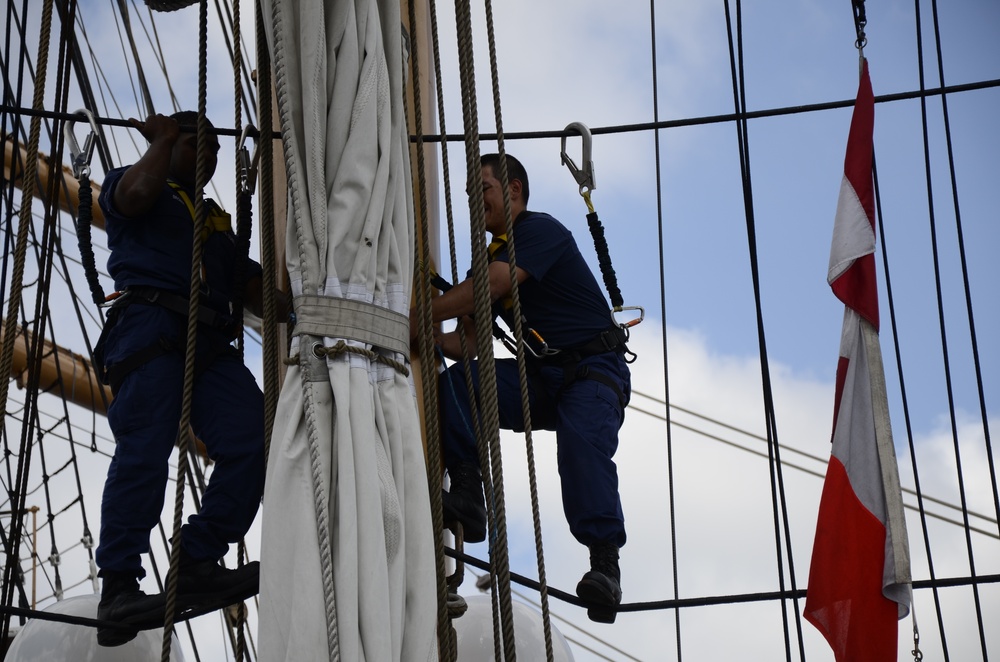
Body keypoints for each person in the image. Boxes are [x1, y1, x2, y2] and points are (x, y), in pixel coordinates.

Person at [414, 153, 632, 624]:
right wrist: (423, 337)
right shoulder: (492, 256)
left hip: (594, 371)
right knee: (460, 384)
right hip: (544, 380)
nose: (477, 202)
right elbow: (468, 343)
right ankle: (471, 495)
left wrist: (417, 316)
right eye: (471, 196)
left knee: (580, 449)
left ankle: (605, 567)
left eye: (483, 191)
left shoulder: (538, 232)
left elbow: (491, 286)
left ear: (512, 189)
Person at [94, 111, 266, 646]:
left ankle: (195, 557)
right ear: (169, 142)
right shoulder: (133, 181)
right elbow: (135, 196)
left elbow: (256, 291)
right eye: (200, 145)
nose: (211, 156)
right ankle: (118, 586)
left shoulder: (215, 220)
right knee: (144, 451)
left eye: (217, 149)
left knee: (256, 437)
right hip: (151, 328)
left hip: (210, 344)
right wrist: (164, 140)